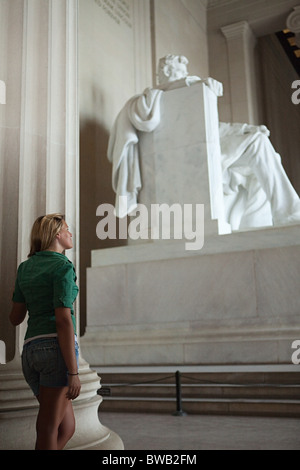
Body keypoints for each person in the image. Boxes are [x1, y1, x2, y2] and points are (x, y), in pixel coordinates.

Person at [9, 213, 81, 450]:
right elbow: (63, 320)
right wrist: (73, 372)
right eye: (67, 229)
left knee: (66, 427)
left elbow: (15, 317)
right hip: (55, 351)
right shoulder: (63, 266)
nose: (70, 234)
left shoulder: (25, 268)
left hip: (31, 352)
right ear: (57, 235)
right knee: (48, 427)